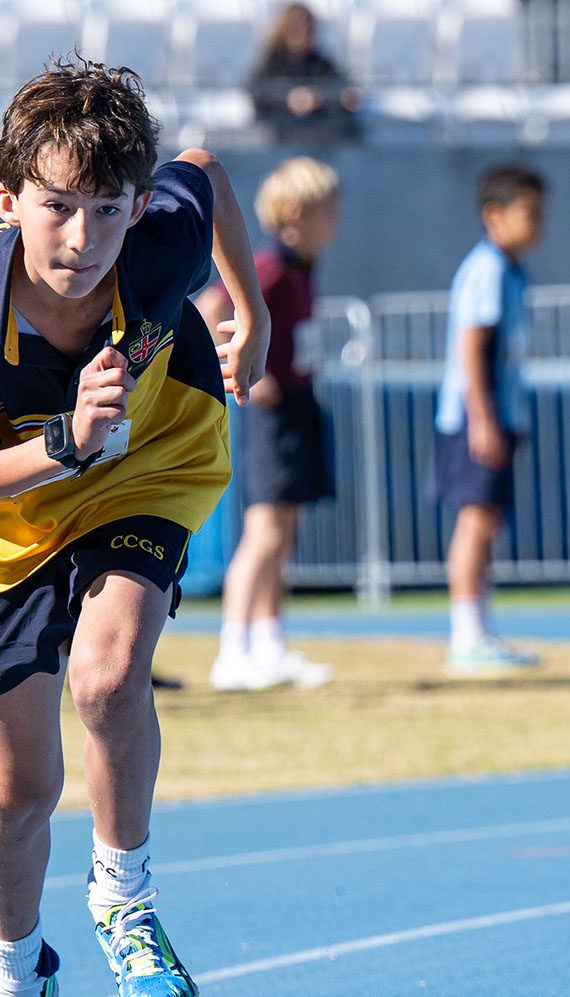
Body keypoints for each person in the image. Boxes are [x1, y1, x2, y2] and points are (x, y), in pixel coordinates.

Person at [0, 55, 269, 997]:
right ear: (9, 201)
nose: (83, 236)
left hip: (152, 466)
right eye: (58, 206)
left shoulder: (153, 242)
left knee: (106, 675)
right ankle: (17, 967)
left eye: (108, 209)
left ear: (137, 209)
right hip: (11, 517)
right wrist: (66, 438)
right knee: (15, 795)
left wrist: (250, 311)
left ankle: (124, 899)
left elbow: (206, 170)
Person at [200, 156, 338, 693]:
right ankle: (232, 650)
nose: (337, 219)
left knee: (286, 532)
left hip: (300, 410)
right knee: (263, 532)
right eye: (327, 209)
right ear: (296, 214)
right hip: (271, 416)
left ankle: (269, 642)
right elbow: (213, 306)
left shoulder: (304, 267)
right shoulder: (269, 266)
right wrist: (246, 374)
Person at [433, 164, 545, 676]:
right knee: (475, 521)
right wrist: (483, 418)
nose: (540, 223)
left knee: (488, 521)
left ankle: (481, 627)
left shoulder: (512, 268)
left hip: (502, 413)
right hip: (477, 417)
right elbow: (472, 347)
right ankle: (466, 636)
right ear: (494, 216)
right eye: (530, 212)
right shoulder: (487, 268)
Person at [249, 2, 360, 144]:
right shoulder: (272, 65)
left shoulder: (320, 63)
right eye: (298, 30)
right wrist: (289, 101)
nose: (304, 36)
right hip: (284, 135)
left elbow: (339, 89)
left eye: (309, 31)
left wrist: (341, 98)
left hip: (322, 135)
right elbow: (260, 99)